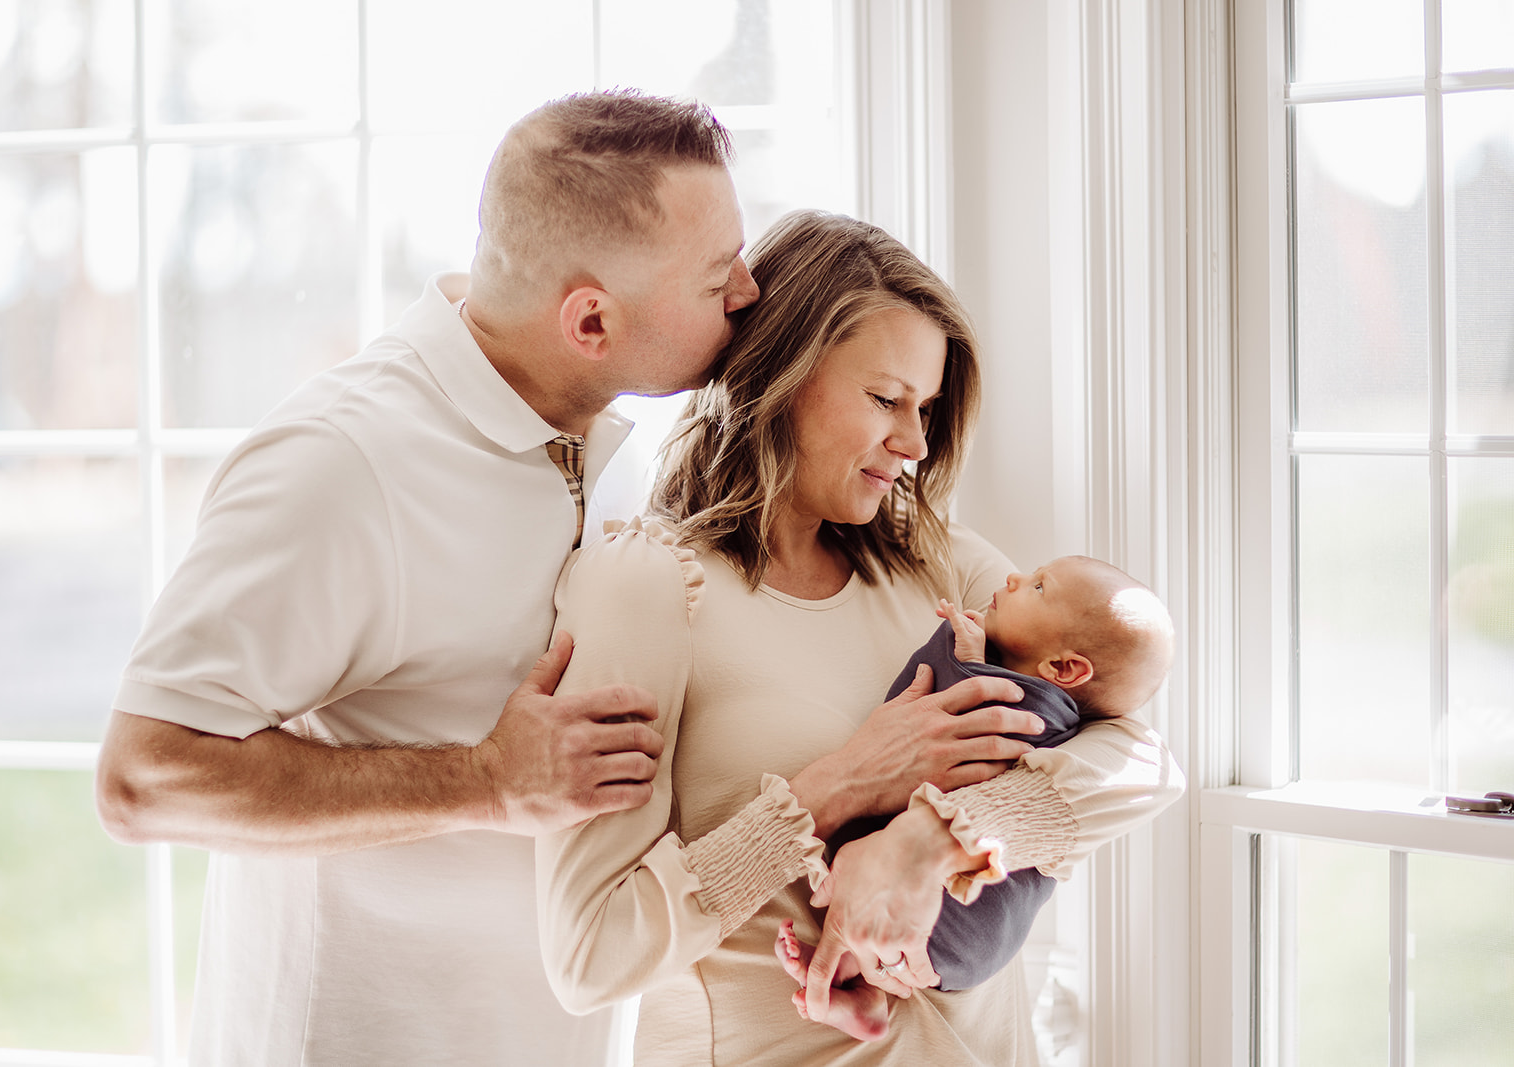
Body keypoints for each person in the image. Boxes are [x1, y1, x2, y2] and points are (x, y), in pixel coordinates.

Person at [92, 89, 770, 1066]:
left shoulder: (600, 433)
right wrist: (486, 780)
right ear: (589, 319)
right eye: (718, 276)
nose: (749, 291)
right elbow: (144, 776)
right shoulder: (339, 464)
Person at [535, 208, 1185, 1065]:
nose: (915, 443)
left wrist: (930, 838)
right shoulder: (650, 585)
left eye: (927, 408)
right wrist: (832, 789)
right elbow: (590, 955)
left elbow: (1144, 765)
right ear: (782, 374)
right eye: (886, 399)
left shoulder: (940, 568)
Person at [776, 558, 1174, 1041]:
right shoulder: (1034, 689)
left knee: (868, 894)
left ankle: (852, 981)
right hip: (979, 944)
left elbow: (1148, 764)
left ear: (1064, 667)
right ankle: (864, 995)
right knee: (868, 913)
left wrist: (963, 655)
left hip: (968, 917)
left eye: (1038, 585)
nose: (1012, 578)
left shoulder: (1038, 713)